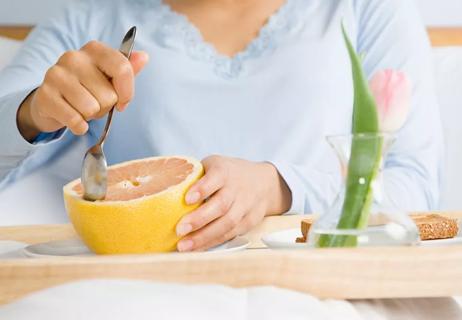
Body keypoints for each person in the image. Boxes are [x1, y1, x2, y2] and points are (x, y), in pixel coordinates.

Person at [0, 0, 443, 252]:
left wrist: (278, 188)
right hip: (142, 289)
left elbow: (416, 189)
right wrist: (33, 114)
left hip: (322, 280)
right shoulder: (90, 16)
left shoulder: (368, 9)